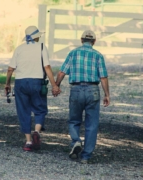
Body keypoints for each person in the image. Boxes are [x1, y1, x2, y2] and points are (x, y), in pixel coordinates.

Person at [56, 30, 110, 163]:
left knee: (74, 120)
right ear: (94, 42)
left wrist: (56, 85)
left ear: (81, 40)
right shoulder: (98, 55)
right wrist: (107, 94)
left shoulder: (73, 53)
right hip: (93, 90)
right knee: (92, 124)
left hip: (76, 89)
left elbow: (62, 72)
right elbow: (103, 77)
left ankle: (76, 141)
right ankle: (86, 156)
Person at [5, 25, 61, 151]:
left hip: (20, 83)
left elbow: (10, 69)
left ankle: (29, 142)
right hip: (37, 82)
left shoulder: (19, 49)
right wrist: (54, 85)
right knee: (40, 109)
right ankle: (37, 131)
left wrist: (7, 84)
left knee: (23, 111)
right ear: (36, 37)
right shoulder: (41, 47)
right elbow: (47, 67)